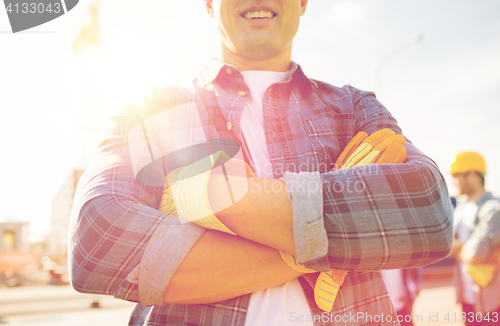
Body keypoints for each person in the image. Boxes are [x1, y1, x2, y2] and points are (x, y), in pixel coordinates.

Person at [68, 1, 453, 325]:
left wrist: (231, 202)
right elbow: (98, 240)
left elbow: (428, 213)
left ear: (303, 2)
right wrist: (345, 235)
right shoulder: (153, 106)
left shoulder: (354, 108)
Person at [449, 152, 500, 326]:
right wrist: (468, 245)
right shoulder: (461, 209)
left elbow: (476, 255)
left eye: (456, 176)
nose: (453, 181)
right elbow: (444, 246)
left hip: (492, 301)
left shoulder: (495, 209)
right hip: (467, 298)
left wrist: (455, 247)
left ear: (472, 176)